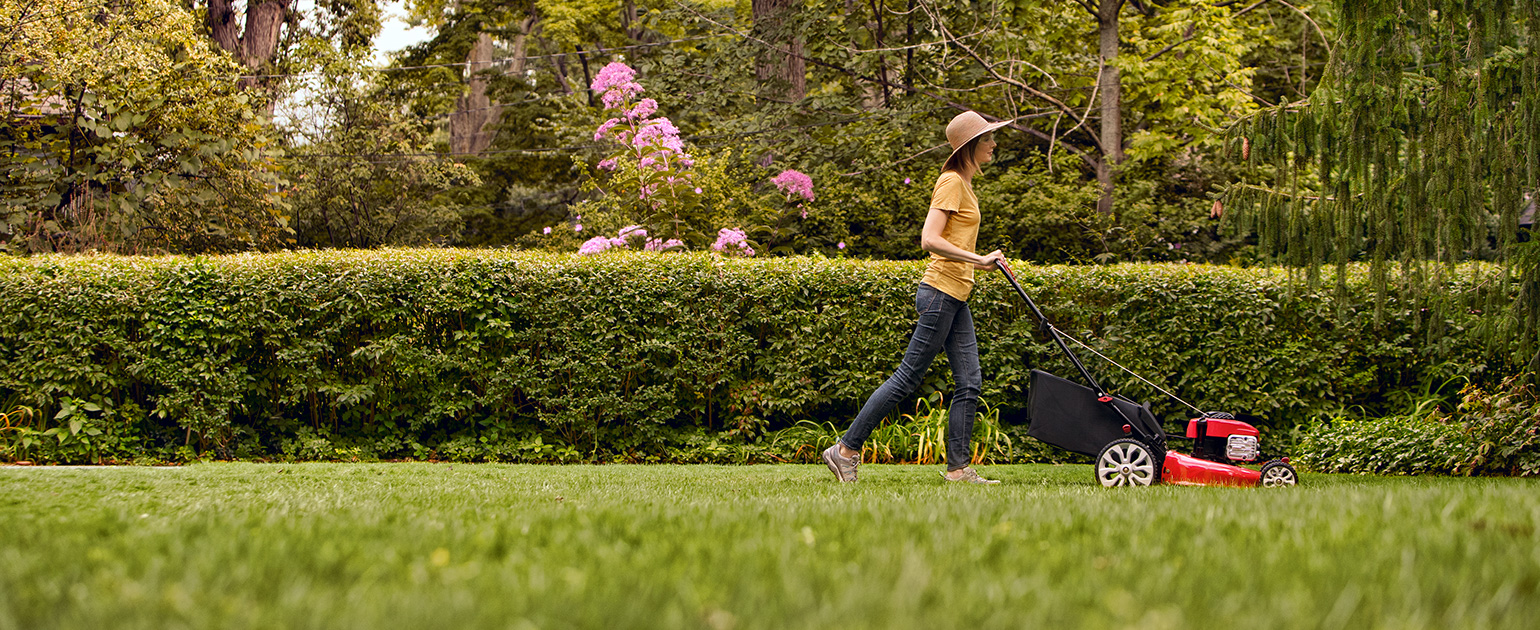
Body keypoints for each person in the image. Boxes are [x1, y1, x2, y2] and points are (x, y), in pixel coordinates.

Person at [823, 111, 1009, 485]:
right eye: (988, 138)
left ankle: (957, 470)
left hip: (956, 294)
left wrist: (980, 262)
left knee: (970, 380)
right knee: (908, 378)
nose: (993, 143)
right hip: (940, 292)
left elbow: (953, 238)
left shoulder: (966, 185)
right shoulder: (951, 182)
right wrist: (979, 259)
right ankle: (844, 451)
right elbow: (930, 239)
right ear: (971, 145)